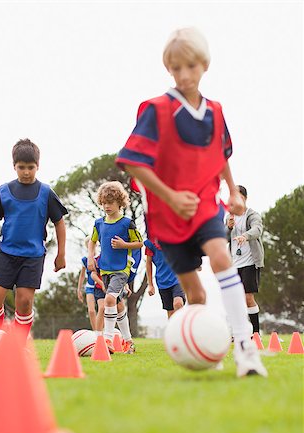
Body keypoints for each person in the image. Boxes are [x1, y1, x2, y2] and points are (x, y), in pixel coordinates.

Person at [116, 27, 267, 377]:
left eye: (191, 67)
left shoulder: (215, 111)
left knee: (220, 257)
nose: (184, 75)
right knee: (195, 296)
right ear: (169, 69)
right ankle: (204, 349)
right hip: (167, 218)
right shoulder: (156, 109)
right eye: (176, 68)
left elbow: (222, 152)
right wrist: (169, 195)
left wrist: (231, 191)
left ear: (205, 65)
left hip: (204, 204)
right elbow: (130, 161)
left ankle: (245, 348)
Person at [0, 138, 67, 354]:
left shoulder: (46, 193)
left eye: (31, 167)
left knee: (24, 302)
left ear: (37, 166)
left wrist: (61, 253)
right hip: (5, 254)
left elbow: (59, 222)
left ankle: (18, 347)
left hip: (33, 257)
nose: (26, 172)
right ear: (14, 166)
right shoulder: (4, 191)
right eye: (21, 167)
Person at [88, 181, 143, 354]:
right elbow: (92, 241)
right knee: (118, 307)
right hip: (105, 270)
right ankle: (129, 342)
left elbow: (140, 243)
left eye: (110, 202)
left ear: (119, 202)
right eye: (103, 203)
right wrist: (91, 257)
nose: (106, 206)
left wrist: (123, 245)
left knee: (109, 300)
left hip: (121, 269)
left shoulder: (128, 223)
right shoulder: (99, 223)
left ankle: (108, 340)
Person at [226, 185, 264, 334]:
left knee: (248, 297)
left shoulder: (252, 215)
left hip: (250, 262)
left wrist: (245, 236)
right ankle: (238, 332)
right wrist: (228, 228)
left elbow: (257, 230)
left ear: (245, 198)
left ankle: (256, 333)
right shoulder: (229, 217)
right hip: (234, 264)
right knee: (236, 300)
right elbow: (223, 238)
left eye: (238, 196)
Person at [145, 238, 185, 318]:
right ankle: (174, 329)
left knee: (178, 303)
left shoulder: (173, 235)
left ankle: (182, 326)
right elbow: (148, 263)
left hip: (178, 277)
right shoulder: (150, 243)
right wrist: (150, 284)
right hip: (162, 281)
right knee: (171, 313)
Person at [77, 237, 105, 331]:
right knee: (91, 311)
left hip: (100, 286)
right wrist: (79, 290)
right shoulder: (85, 259)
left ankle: (101, 330)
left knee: (102, 309)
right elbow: (82, 276)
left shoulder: (100, 257)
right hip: (89, 287)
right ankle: (95, 332)